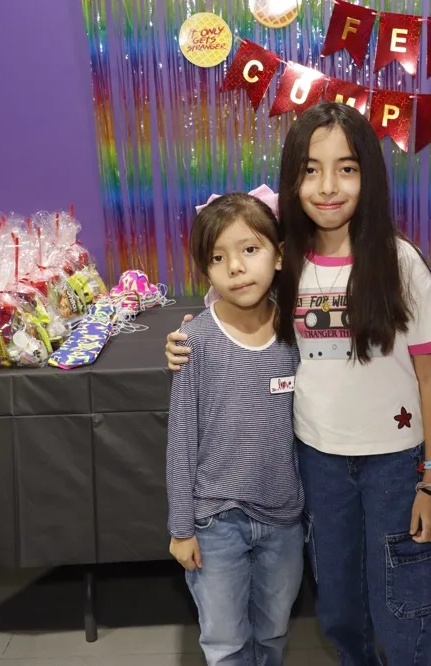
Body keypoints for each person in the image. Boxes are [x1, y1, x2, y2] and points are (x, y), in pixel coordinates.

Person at [167, 102, 431, 666]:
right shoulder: (288, 263)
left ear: (369, 176)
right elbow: (236, 291)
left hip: (396, 463)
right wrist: (188, 333)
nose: (328, 186)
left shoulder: (398, 262)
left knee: (401, 601)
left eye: (346, 168)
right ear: (292, 180)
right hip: (317, 464)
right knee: (339, 604)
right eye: (310, 170)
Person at [166, 192, 304, 666]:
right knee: (225, 641)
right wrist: (181, 528)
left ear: (279, 255)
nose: (237, 268)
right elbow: (181, 441)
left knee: (274, 630)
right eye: (218, 258)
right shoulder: (195, 342)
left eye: (249, 249)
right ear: (205, 271)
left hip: (284, 518)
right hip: (216, 522)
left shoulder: (296, 334)